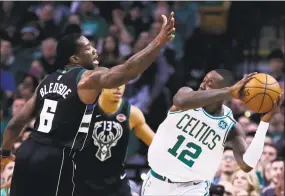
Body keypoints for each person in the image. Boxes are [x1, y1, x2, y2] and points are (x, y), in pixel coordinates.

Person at [0, 12, 175, 196]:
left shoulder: (46, 81)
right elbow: (127, 71)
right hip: (56, 157)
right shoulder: (86, 78)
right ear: (75, 59)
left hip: (27, 151)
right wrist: (158, 43)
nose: (95, 50)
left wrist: (4, 153)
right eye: (88, 48)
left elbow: (16, 123)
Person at [141, 69, 284, 195]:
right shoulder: (186, 94)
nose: (202, 85)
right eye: (204, 80)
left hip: (192, 188)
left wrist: (265, 122)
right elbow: (180, 101)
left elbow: (247, 165)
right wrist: (228, 92)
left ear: (222, 90)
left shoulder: (231, 127)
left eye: (209, 83)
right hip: (157, 180)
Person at [74, 84, 154, 196]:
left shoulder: (132, 113)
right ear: (101, 84)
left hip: (117, 184)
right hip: (84, 181)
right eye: (114, 83)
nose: (118, 88)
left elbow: (156, 145)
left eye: (122, 83)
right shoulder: (82, 110)